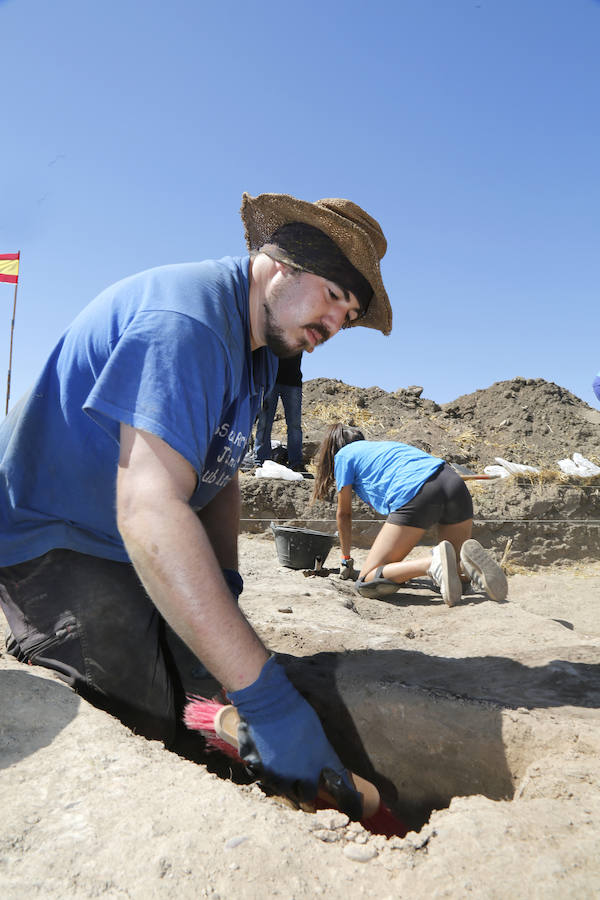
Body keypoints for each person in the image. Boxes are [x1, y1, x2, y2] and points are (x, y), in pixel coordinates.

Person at [0, 192, 392, 818]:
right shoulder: (189, 324)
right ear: (284, 265)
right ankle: (44, 640)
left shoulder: (261, 353)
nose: (334, 327)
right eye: (333, 298)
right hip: (56, 538)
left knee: (207, 678)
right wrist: (267, 703)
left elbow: (220, 473)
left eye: (347, 316)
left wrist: (226, 581)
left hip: (128, 544)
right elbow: (150, 510)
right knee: (151, 721)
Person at [312, 424, 508, 606]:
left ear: (333, 448)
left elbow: (344, 513)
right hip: (454, 484)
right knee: (456, 580)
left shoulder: (344, 455)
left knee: (366, 581)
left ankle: (432, 564)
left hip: (419, 492)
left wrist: (346, 558)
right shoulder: (386, 448)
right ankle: (467, 570)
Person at [253, 353, 305, 471]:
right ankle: (260, 461)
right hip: (270, 381)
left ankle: (296, 463)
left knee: (294, 426)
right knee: (264, 423)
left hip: (293, 381)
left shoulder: (299, 334)